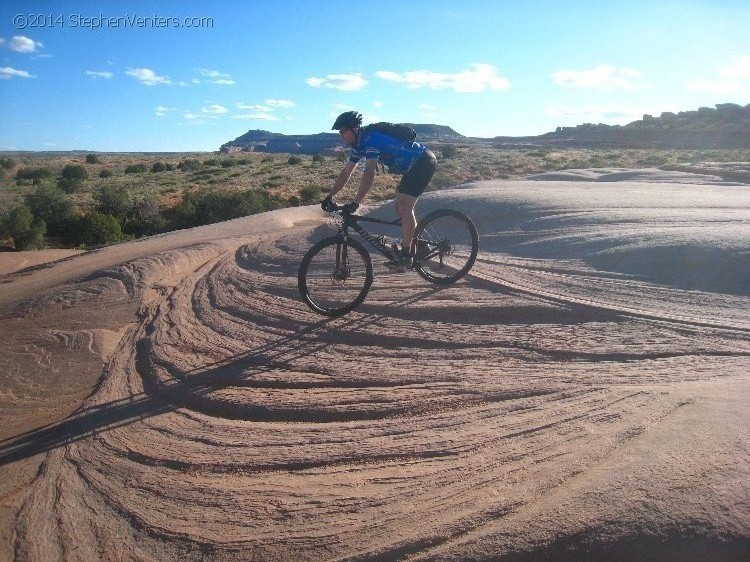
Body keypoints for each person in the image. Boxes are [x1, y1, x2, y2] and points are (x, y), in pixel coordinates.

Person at [322, 110, 437, 267]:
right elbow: (346, 172)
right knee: (400, 207)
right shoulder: (358, 145)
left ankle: (406, 254)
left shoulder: (371, 139)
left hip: (423, 162)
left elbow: (369, 172)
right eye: (340, 132)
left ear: (355, 129)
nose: (342, 135)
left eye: (344, 131)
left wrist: (357, 202)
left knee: (404, 206)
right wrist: (329, 196)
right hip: (411, 168)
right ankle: (421, 245)